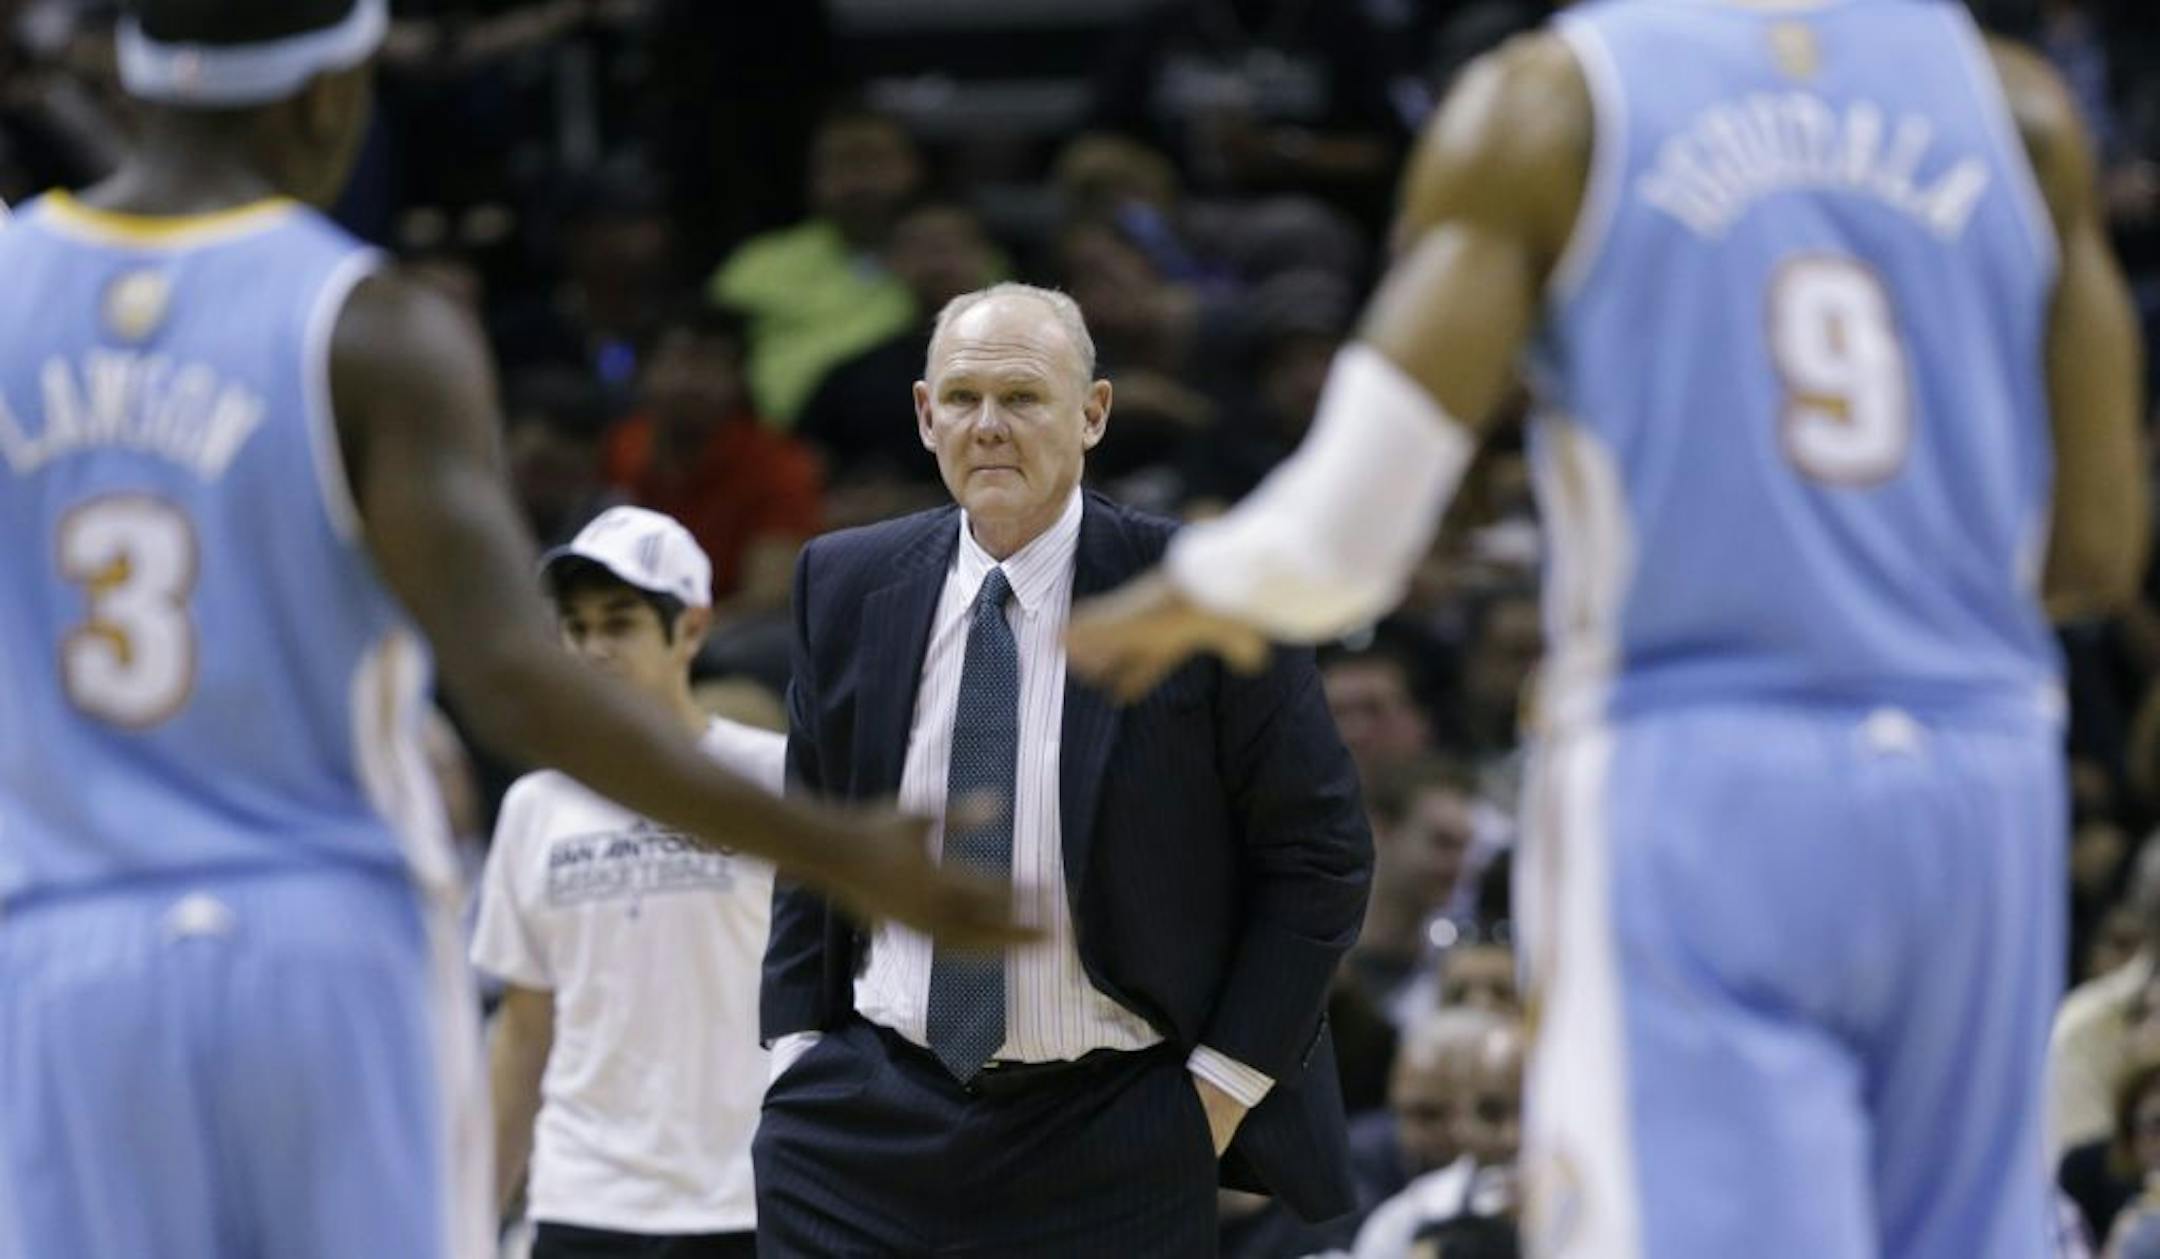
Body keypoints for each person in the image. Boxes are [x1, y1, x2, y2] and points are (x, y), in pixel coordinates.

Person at [1069, 2, 2150, 1256]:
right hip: (1977, 772)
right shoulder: (2019, 110)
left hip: (1697, 772)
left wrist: (1182, 592)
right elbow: (2092, 551)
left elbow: (1343, 538)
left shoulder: (1551, 105)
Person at [0, 4, 1022, 1257]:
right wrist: (834, 844)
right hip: (320, 933)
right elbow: (513, 678)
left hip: (60, 944)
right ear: (331, 97)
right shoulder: (371, 324)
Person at [755, 282, 1373, 1255]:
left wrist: (1215, 1092)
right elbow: (815, 839)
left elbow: (1321, 854)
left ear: (1093, 414)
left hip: (1113, 1124)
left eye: (1024, 397)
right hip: (866, 1118)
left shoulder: (1197, 592)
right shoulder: (843, 582)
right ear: (925, 415)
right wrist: (793, 1053)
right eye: (961, 398)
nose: (988, 425)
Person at [476, 507, 781, 1259]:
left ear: (692, 631)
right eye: (576, 630)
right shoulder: (534, 806)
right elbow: (524, 1030)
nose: (593, 650)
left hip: (745, 1193)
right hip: (584, 1196)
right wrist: (468, 1211)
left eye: (620, 624)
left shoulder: (772, 779)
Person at [600, 302, 822, 616]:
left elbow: (769, 598)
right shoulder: (618, 449)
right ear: (643, 372)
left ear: (739, 381)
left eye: (713, 365)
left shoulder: (779, 466)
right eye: (679, 361)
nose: (693, 382)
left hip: (721, 639)